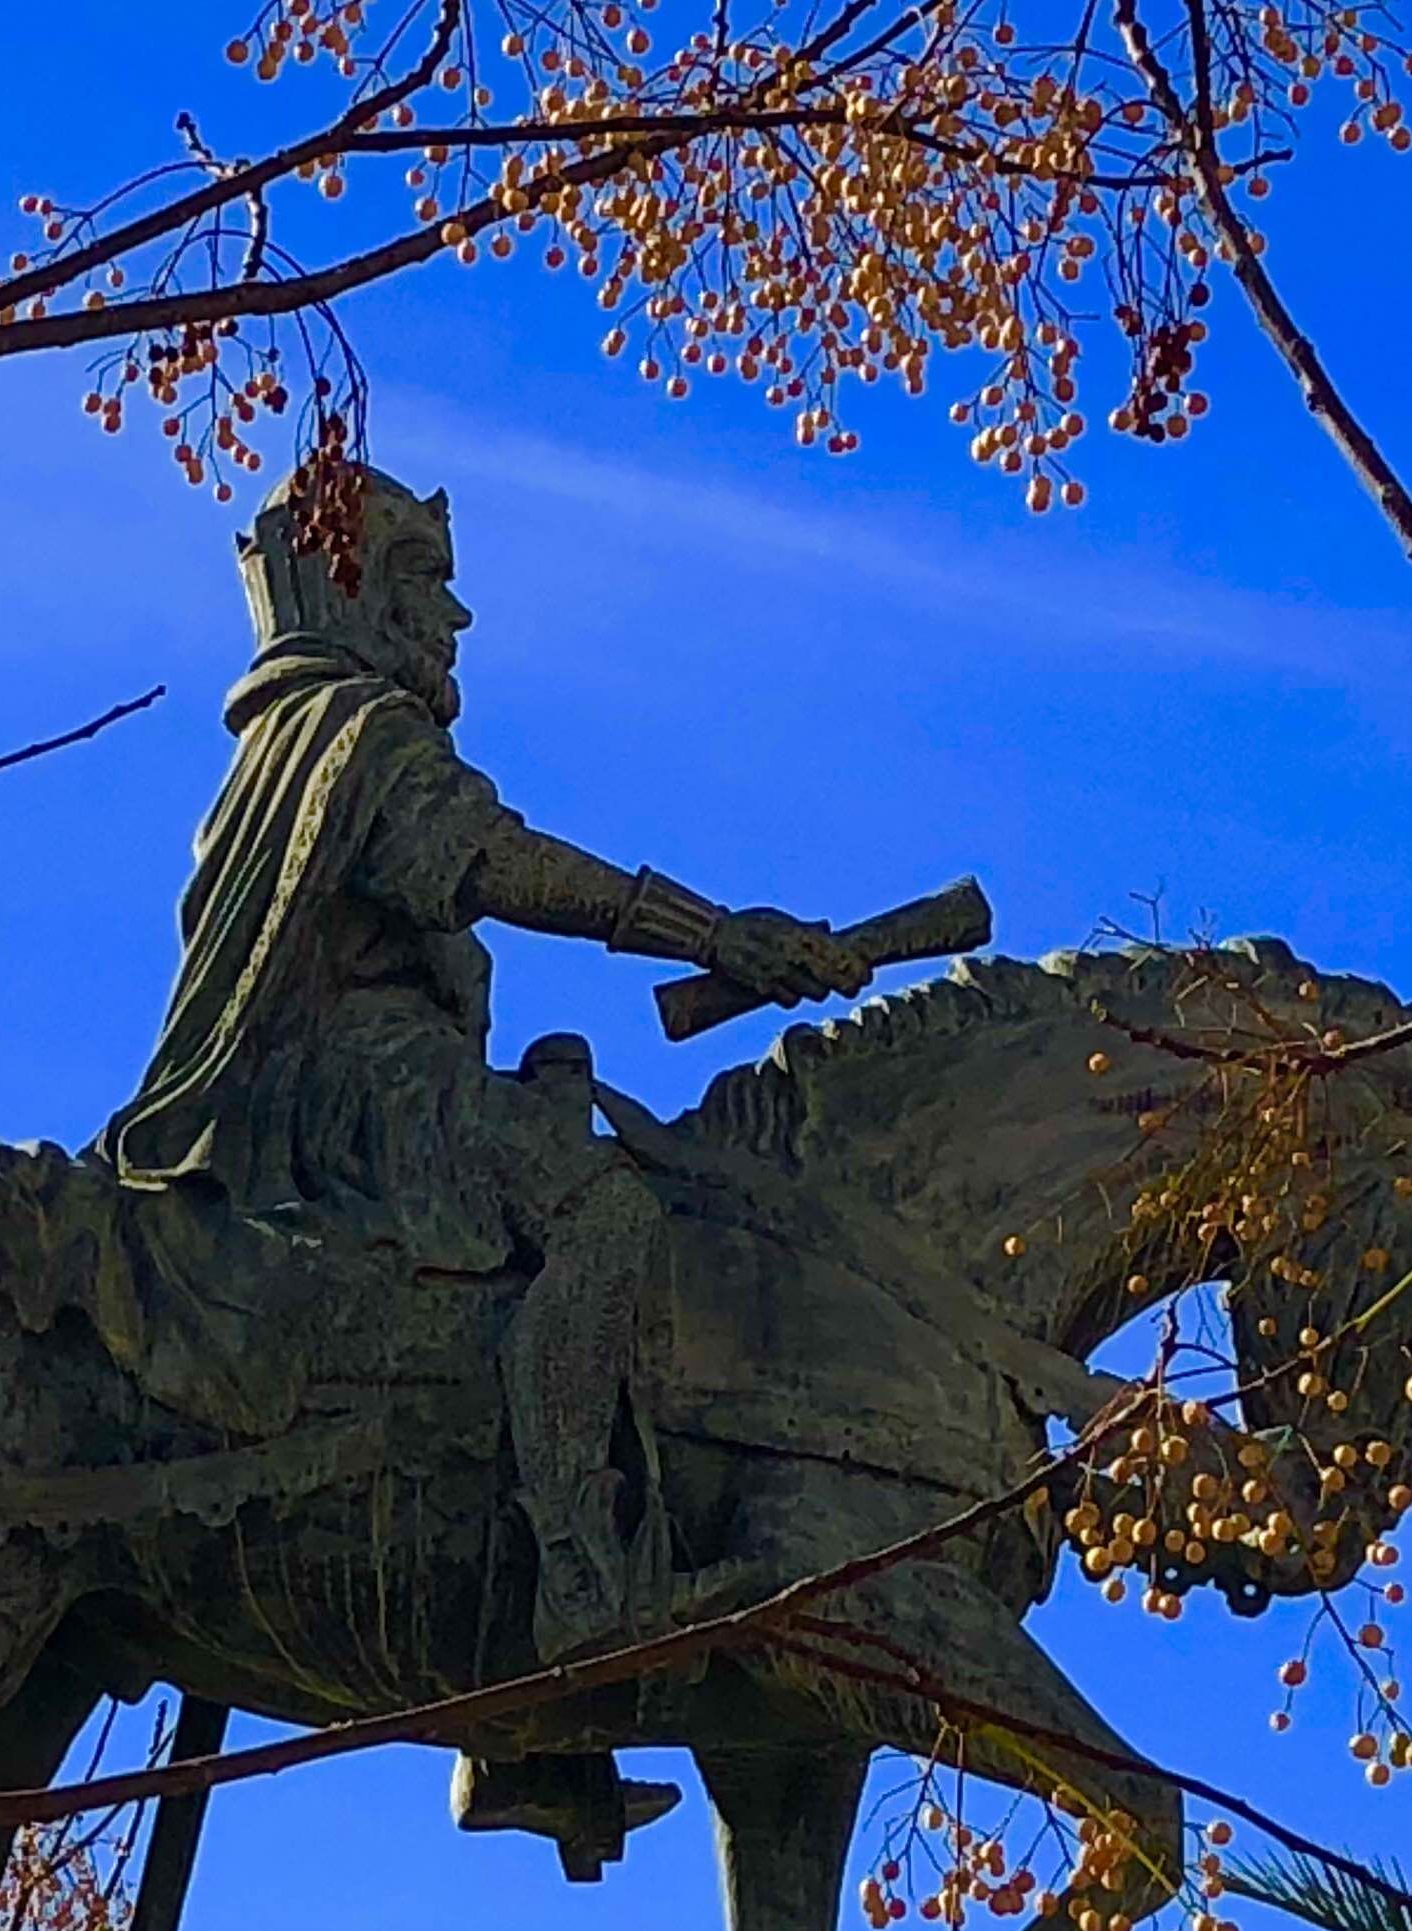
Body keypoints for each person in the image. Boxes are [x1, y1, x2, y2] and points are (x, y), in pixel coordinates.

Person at [104, 458, 870, 1680]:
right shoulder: (357, 732)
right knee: (608, 1215)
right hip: (365, 1094)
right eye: (428, 585)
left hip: (388, 1080)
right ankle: (580, 1575)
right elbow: (496, 865)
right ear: (360, 594)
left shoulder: (298, 734)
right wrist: (714, 935)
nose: (454, 620)